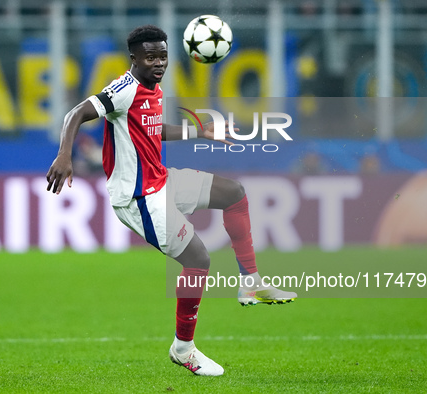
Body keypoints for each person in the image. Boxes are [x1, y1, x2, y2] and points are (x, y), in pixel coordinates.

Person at [46, 25, 297, 376]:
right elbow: (76, 113)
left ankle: (251, 282)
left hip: (161, 179)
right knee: (199, 259)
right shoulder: (123, 89)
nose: (159, 62)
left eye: (163, 55)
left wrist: (200, 132)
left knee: (235, 194)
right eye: (150, 57)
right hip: (139, 197)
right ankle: (184, 348)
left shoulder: (153, 88)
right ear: (133, 58)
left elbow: (153, 129)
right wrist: (64, 155)